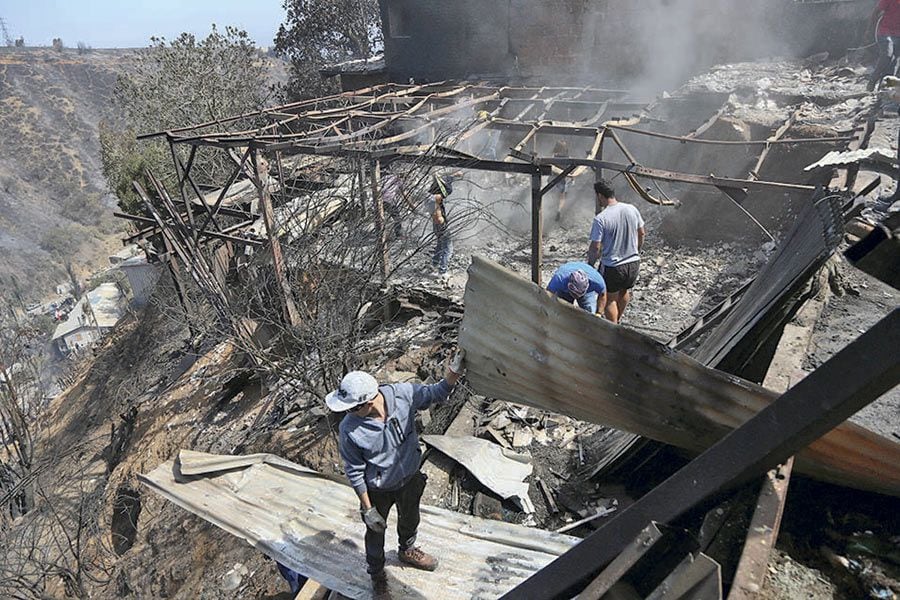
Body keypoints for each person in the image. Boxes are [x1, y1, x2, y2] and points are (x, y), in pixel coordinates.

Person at [325, 351, 466, 597]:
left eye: (352, 408)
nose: (347, 413)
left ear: (368, 401)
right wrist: (368, 509)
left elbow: (436, 393)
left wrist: (452, 375)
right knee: (375, 533)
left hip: (409, 477)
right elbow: (354, 470)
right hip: (378, 490)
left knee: (410, 517)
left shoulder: (403, 394)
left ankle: (407, 550)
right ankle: (377, 574)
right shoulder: (349, 430)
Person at [587, 179, 645, 324]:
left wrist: (590, 265)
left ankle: (613, 329)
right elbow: (642, 233)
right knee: (625, 291)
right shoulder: (632, 209)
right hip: (633, 263)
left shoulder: (601, 218)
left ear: (600, 195)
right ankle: (618, 320)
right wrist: (637, 250)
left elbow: (595, 246)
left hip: (613, 266)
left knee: (609, 299)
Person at [427, 174, 454, 280]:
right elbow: (438, 218)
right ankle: (442, 271)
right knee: (448, 248)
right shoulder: (435, 201)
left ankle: (434, 264)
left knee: (439, 244)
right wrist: (443, 221)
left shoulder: (429, 197)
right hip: (440, 226)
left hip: (436, 227)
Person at [869, 0, 900, 90]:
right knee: (887, 56)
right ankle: (873, 79)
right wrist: (870, 29)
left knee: (895, 61)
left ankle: (884, 87)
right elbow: (876, 12)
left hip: (898, 35)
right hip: (885, 31)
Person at [551, 140, 573, 222]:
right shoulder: (568, 157)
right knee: (562, 197)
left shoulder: (553, 156)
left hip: (554, 178)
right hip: (563, 178)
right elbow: (571, 167)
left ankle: (554, 208)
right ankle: (559, 210)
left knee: (554, 193)